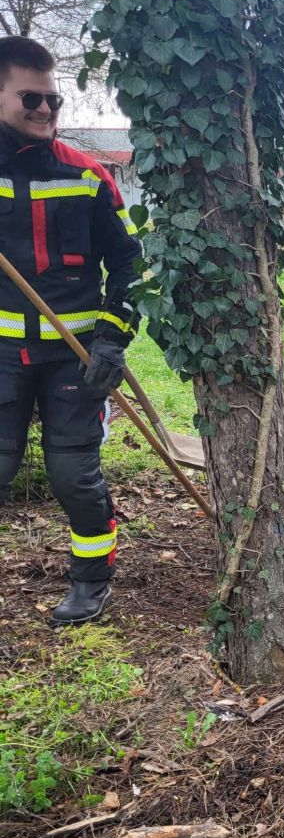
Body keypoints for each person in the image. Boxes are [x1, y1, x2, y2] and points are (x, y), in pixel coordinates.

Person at [0, 36, 141, 623]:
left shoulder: (88, 176)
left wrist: (111, 338)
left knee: (72, 474)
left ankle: (92, 578)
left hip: (76, 357)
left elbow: (130, 264)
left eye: (53, 100)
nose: (45, 110)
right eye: (30, 97)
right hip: (3, 356)